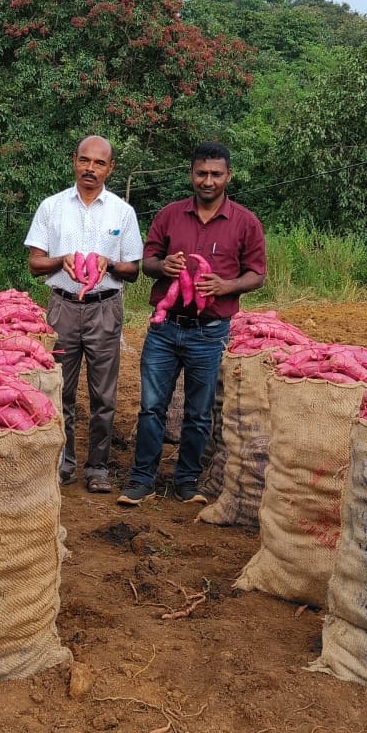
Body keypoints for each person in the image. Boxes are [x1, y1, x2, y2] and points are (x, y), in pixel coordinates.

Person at [119, 141, 266, 506]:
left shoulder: (245, 223)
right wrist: (163, 265)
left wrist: (226, 285)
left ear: (228, 176)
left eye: (216, 174)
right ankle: (143, 479)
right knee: (152, 406)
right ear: (191, 174)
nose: (208, 180)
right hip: (165, 326)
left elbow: (257, 274)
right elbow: (147, 260)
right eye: (202, 173)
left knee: (199, 412)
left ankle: (187, 480)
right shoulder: (170, 215)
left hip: (210, 331)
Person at [26, 135, 143, 494]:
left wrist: (110, 265)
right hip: (62, 306)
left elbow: (134, 269)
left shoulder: (122, 212)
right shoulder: (52, 206)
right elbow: (34, 264)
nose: (90, 168)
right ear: (74, 161)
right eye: (84, 160)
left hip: (105, 307)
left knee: (103, 396)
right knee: (59, 389)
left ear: (111, 168)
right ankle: (63, 462)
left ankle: (98, 467)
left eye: (99, 163)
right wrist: (61, 260)